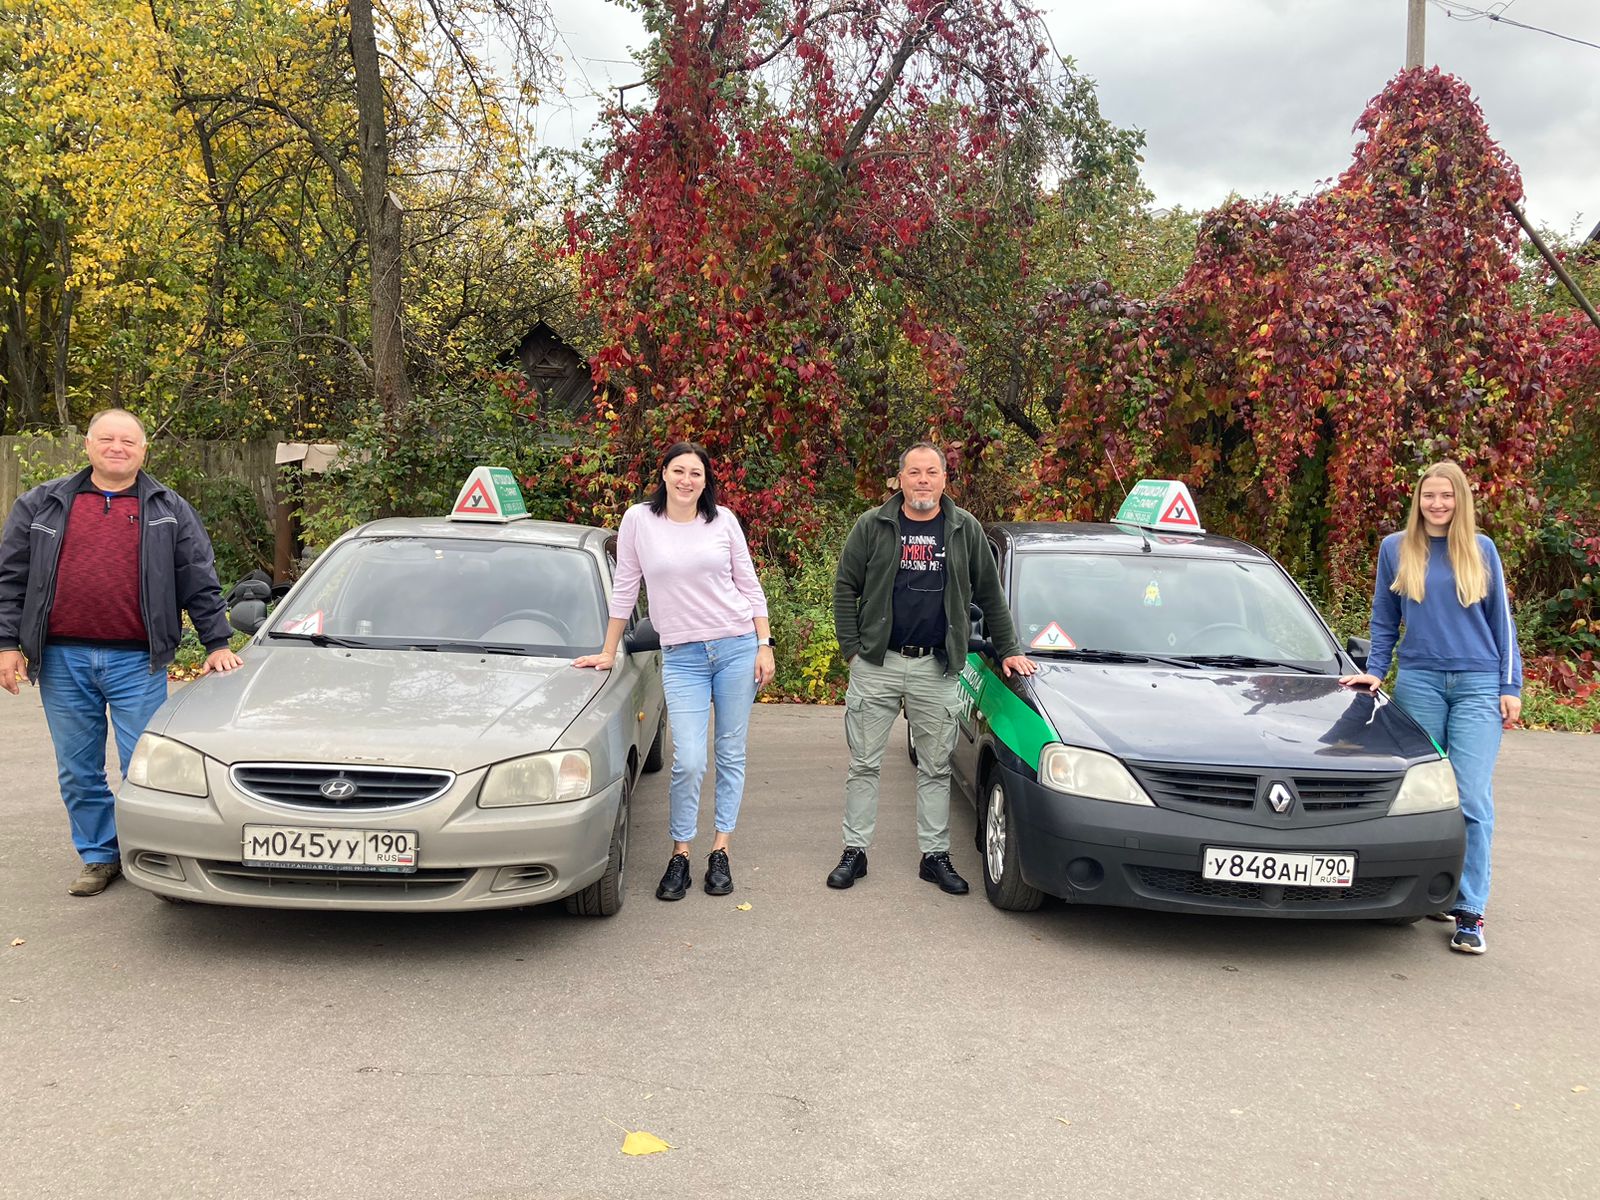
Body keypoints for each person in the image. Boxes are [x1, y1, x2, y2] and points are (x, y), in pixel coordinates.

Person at [0, 409, 244, 896]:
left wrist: (216, 642)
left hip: (138, 661)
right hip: (62, 660)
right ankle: (99, 856)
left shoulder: (169, 508)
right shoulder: (41, 505)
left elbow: (197, 576)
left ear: (143, 450)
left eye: (128, 441)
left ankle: (154, 856)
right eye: (106, 439)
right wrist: (6, 643)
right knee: (78, 769)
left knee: (148, 767)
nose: (117, 447)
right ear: (88, 446)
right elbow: (12, 577)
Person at [828, 442, 1035, 895]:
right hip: (878, 664)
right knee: (863, 763)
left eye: (932, 472)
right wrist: (852, 651)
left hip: (936, 668)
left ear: (944, 480)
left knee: (936, 766)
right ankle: (854, 852)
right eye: (914, 472)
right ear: (899, 480)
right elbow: (845, 587)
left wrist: (1009, 649)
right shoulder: (873, 525)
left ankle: (934, 856)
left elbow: (990, 595)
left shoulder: (964, 529)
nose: (923, 480)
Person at [574, 442, 774, 901]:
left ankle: (720, 850)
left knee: (730, 753)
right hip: (682, 656)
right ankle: (680, 853)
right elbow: (624, 588)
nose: (687, 480)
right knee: (688, 760)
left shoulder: (722, 522)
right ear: (663, 473)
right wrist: (609, 651)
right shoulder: (638, 521)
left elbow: (750, 586)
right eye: (679, 470)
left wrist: (765, 645)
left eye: (696, 474)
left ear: (706, 482)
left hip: (736, 648)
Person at [1340, 460, 1522, 955]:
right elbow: (1385, 618)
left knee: (1469, 796)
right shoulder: (1396, 549)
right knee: (1422, 792)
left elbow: (1502, 624)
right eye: (1428, 496)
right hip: (1419, 683)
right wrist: (1376, 670)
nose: (1437, 504)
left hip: (1478, 684)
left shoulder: (1480, 550)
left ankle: (1470, 909)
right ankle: (1429, 890)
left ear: (1460, 500)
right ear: (1418, 500)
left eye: (1447, 497)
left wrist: (1511, 685)